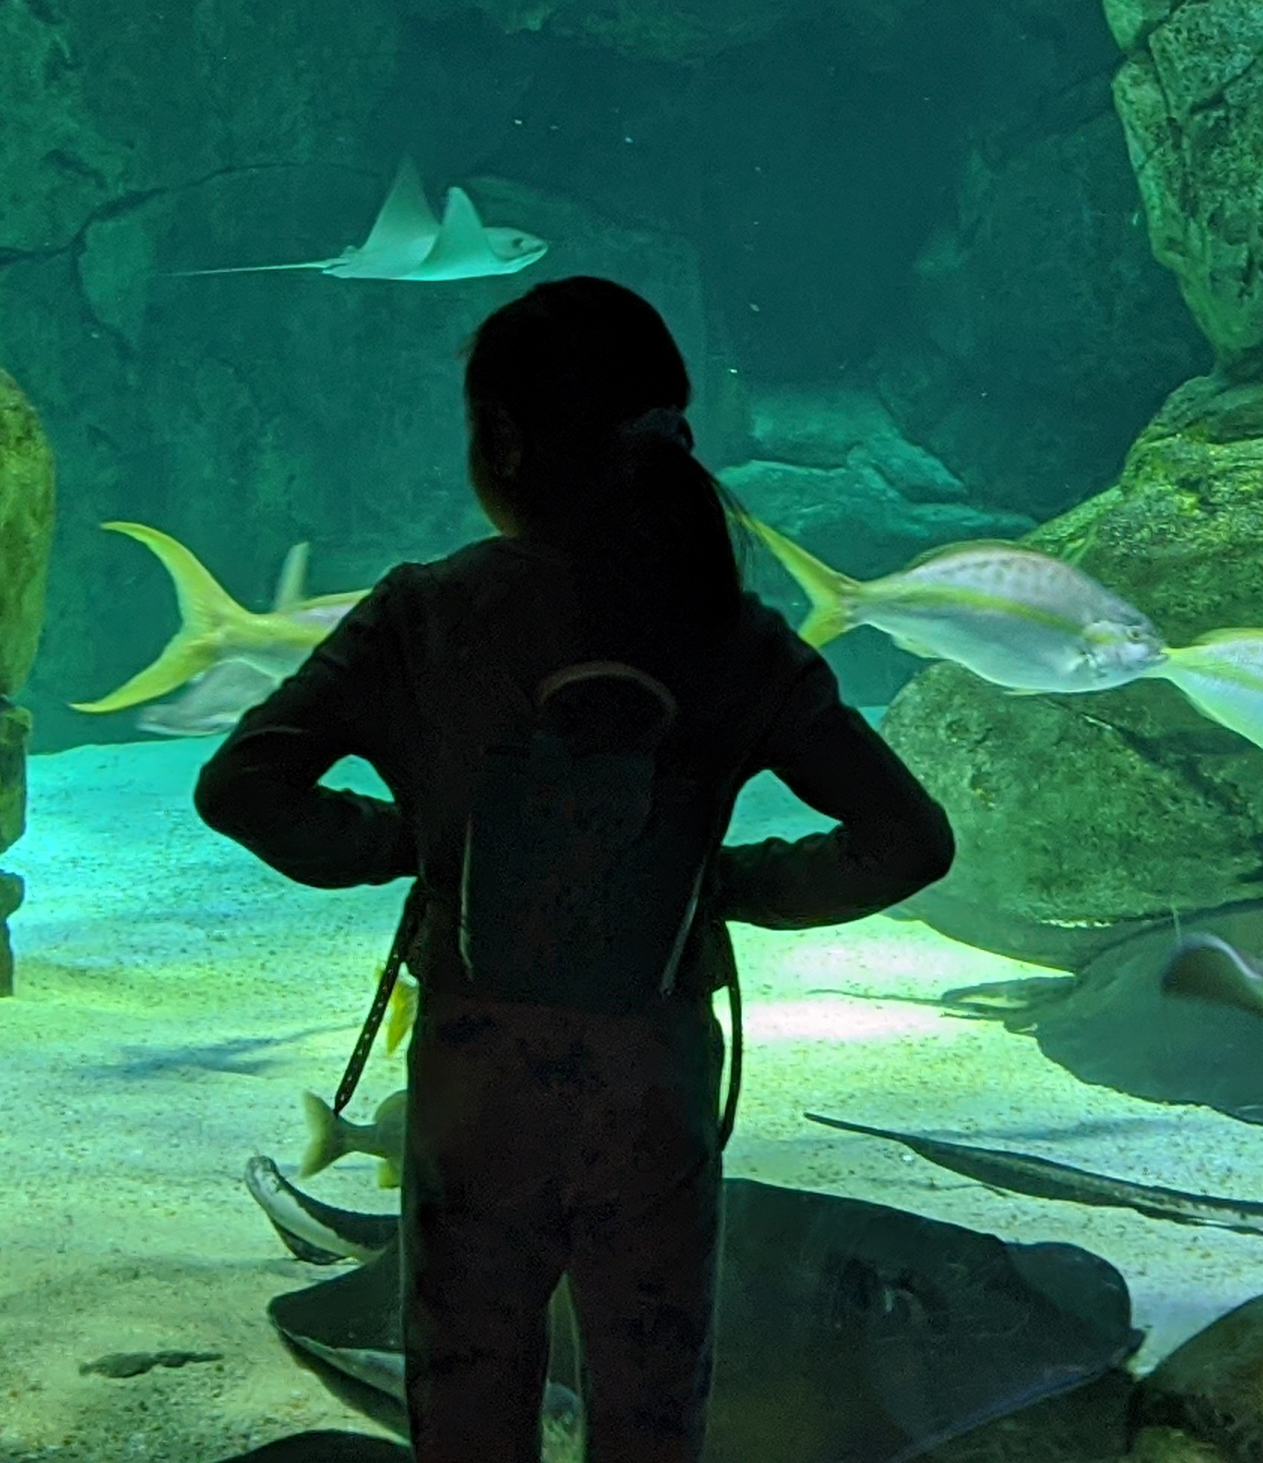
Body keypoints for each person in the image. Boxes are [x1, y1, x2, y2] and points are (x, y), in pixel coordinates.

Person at [195, 276, 957, 1463]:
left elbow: (243, 786)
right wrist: (727, 883)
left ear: (501, 442)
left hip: (478, 1079)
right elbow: (907, 839)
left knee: (466, 1397)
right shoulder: (734, 634)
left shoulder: (426, 615)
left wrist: (409, 845)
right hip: (650, 1078)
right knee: (653, 1406)